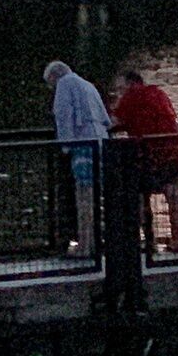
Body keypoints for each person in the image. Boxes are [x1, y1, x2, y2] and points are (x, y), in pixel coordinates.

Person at [109, 65, 178, 250]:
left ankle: (149, 242)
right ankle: (176, 241)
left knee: (141, 196)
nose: (120, 93)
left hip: (150, 155)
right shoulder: (159, 93)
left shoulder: (131, 96)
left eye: (121, 88)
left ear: (130, 84)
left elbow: (114, 122)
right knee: (173, 195)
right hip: (175, 150)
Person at [45, 60, 110, 255]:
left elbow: (63, 115)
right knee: (95, 197)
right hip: (100, 142)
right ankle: (95, 241)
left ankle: (85, 245)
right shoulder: (87, 84)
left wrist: (65, 146)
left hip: (83, 145)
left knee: (83, 196)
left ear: (54, 77)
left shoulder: (65, 84)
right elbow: (106, 118)